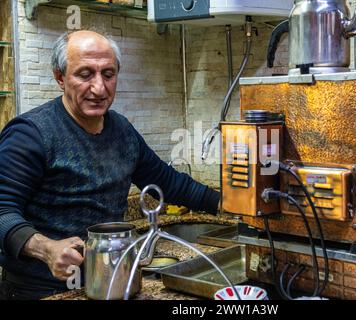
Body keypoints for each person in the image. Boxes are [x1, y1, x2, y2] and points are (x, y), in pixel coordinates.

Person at [0, 30, 220, 300]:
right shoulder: (31, 134)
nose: (99, 88)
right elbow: (2, 211)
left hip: (111, 281)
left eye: (108, 74)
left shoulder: (122, 130)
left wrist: (228, 204)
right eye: (84, 74)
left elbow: (169, 183)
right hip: (42, 290)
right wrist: (47, 249)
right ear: (60, 77)